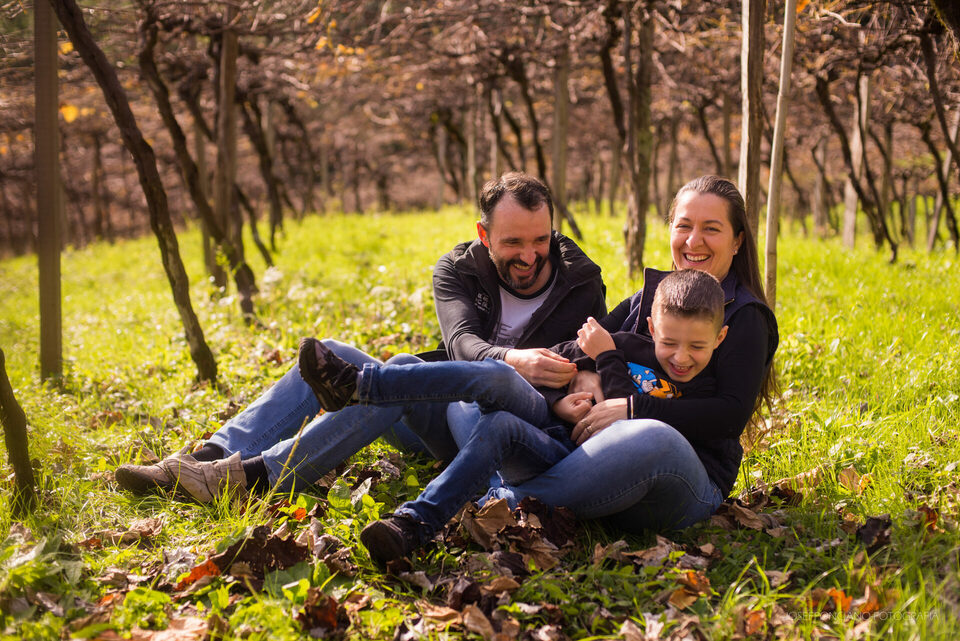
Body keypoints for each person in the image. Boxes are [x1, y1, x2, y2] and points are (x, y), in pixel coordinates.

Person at [113, 172, 606, 502]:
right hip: (444, 410)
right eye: (513, 243)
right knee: (340, 357)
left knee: (403, 371)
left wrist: (578, 382)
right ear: (483, 235)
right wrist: (513, 358)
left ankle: (256, 477)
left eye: (540, 240)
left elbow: (593, 361)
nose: (529, 255)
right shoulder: (458, 269)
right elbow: (461, 345)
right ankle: (209, 458)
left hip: (516, 428)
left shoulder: (581, 278)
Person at [296, 269, 730, 565]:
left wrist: (609, 361)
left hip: (623, 472)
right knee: (500, 384)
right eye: (670, 342)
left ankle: (424, 517)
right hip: (559, 444)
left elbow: (631, 431)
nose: (681, 357)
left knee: (508, 426)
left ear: (720, 338)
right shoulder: (629, 343)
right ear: (652, 329)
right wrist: (561, 396)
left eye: (697, 347)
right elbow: (551, 365)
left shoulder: (708, 388)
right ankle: (360, 387)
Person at [443, 175, 779, 535]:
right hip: (600, 457)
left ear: (737, 241)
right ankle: (541, 489)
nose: (693, 241)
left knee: (651, 436)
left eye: (711, 229)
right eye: (683, 226)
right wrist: (579, 377)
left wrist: (634, 409)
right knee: (466, 402)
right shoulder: (653, 296)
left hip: (682, 479)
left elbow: (727, 416)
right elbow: (584, 344)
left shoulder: (745, 317)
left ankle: (500, 503)